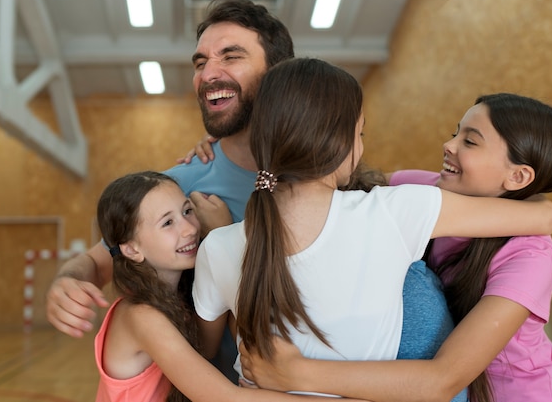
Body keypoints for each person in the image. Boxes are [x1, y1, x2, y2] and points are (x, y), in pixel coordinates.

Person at [191, 58, 552, 400]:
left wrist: (294, 374)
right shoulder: (406, 204)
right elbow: (547, 216)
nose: (447, 145)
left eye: (469, 141)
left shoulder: (218, 248)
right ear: (343, 144)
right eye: (361, 134)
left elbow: (548, 220)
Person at [45, 0, 295, 382]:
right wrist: (69, 280)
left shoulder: (318, 176)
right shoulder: (179, 189)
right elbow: (98, 261)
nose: (208, 73)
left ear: (278, 73)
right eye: (200, 62)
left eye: (230, 56)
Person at [93, 170, 368, 402]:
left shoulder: (174, 299)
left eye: (187, 210)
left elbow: (205, 350)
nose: (189, 228)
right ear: (131, 249)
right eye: (168, 223)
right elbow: (225, 397)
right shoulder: (140, 316)